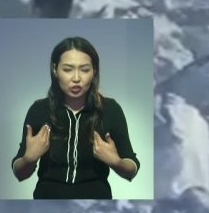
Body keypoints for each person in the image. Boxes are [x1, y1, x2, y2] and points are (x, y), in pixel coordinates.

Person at [11, 36, 140, 199]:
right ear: (55, 70)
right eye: (68, 69)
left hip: (96, 206)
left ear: (94, 72)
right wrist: (29, 159)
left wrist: (116, 162)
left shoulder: (110, 110)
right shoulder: (39, 110)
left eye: (85, 69)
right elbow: (20, 174)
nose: (76, 78)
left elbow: (131, 170)